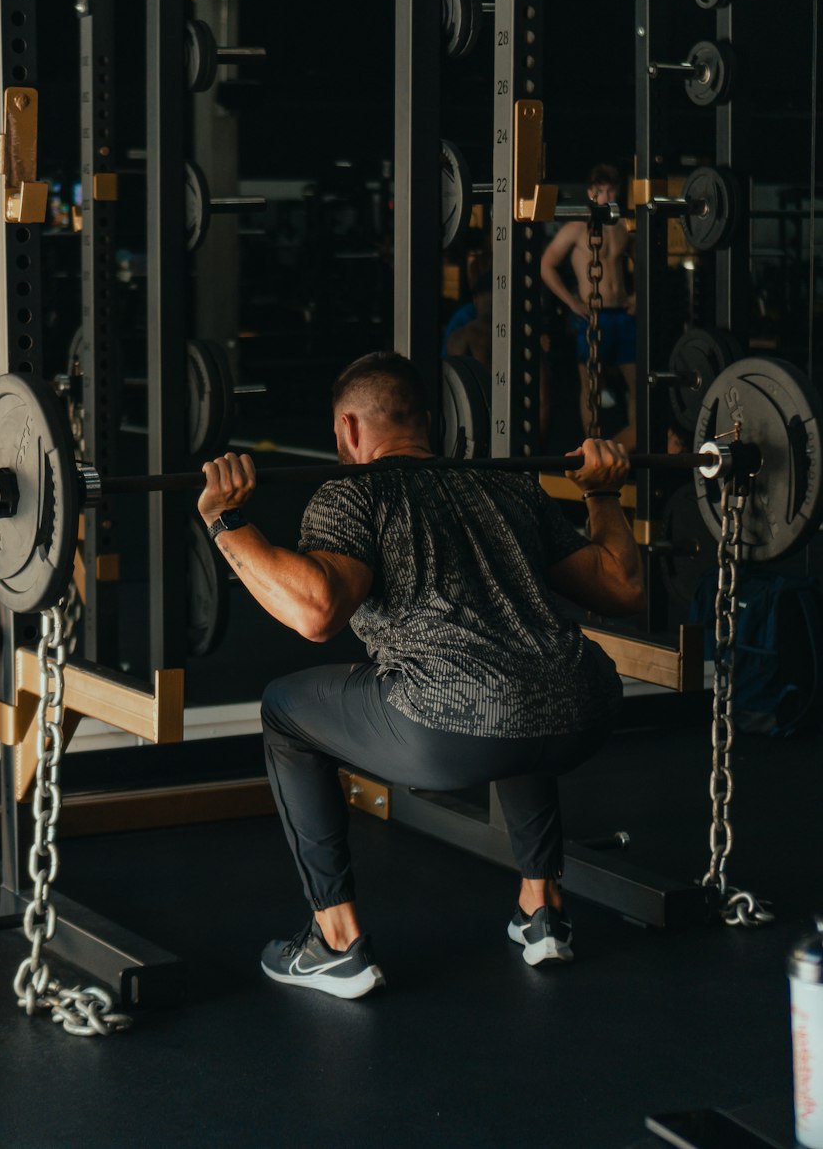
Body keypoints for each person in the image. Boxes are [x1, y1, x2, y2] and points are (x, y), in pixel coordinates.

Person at [197, 351, 643, 999]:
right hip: (588, 708)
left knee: (282, 711)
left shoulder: (354, 493)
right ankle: (542, 909)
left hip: (447, 732)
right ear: (433, 422)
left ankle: (336, 942)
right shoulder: (505, 485)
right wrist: (603, 494)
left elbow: (317, 611)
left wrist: (224, 520)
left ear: (349, 430)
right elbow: (622, 586)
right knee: (513, 664)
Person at [540, 163, 636, 446]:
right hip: (592, 316)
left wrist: (637, 297)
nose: (607, 196)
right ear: (592, 192)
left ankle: (633, 450)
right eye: (601, 191)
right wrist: (571, 302)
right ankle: (592, 448)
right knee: (591, 388)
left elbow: (643, 263)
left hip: (623, 314)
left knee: (637, 387)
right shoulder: (575, 228)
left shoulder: (621, 228)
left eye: (611, 190)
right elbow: (546, 266)